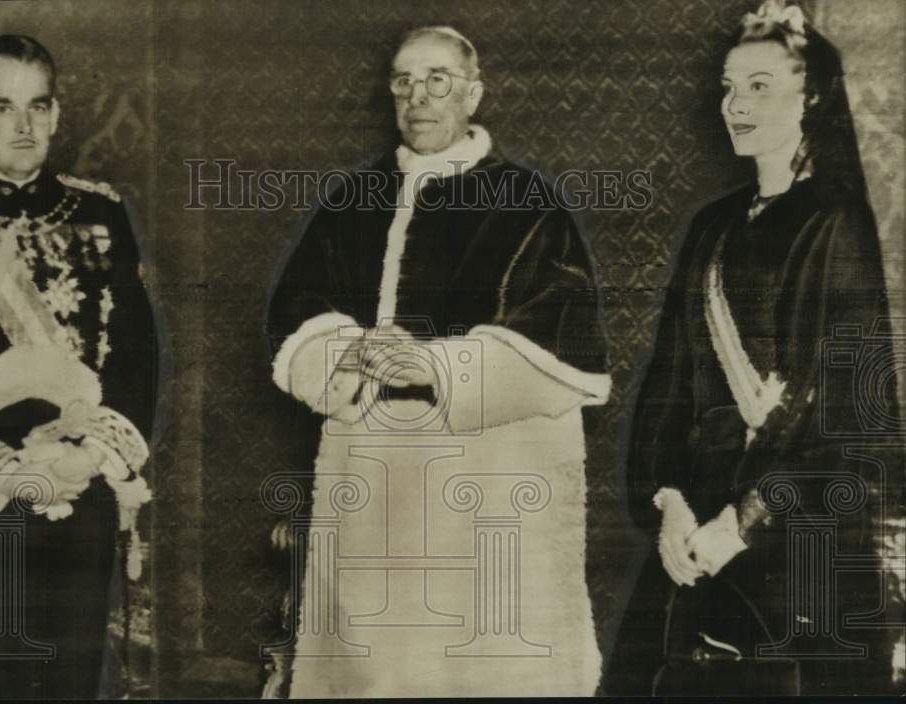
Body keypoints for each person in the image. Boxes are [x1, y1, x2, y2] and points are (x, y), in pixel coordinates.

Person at [264, 25, 610, 697]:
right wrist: (348, 348)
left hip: (487, 483)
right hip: (374, 477)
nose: (418, 97)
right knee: (380, 668)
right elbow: (298, 305)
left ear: (473, 95)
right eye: (404, 81)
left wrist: (436, 367)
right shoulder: (352, 199)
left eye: (438, 80)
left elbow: (560, 339)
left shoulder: (528, 202)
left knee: (484, 666)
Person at [605, 1, 902, 696]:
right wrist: (670, 504)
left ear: (814, 95)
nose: (735, 105)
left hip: (804, 551)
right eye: (729, 88)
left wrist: (741, 524)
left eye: (761, 86)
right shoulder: (711, 228)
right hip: (690, 549)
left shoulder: (841, 227)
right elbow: (667, 386)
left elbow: (860, 423)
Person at [0, 34, 157, 699]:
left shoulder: (101, 214)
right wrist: (8, 473)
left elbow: (136, 355)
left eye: (37, 106)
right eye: (2, 106)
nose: (23, 125)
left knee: (75, 680)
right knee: (0, 682)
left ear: (55, 113)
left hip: (83, 480)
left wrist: (87, 455)